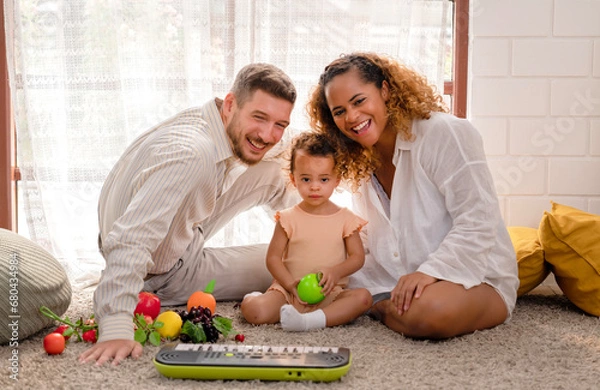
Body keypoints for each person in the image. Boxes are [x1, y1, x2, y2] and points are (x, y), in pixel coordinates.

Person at [79, 63, 298, 366]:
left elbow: (284, 144)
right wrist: (116, 324)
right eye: (259, 117)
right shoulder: (192, 154)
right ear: (231, 104)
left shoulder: (209, 119)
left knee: (279, 172)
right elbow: (132, 238)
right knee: (290, 265)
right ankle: (311, 252)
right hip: (160, 274)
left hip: (177, 229)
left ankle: (312, 231)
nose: (268, 134)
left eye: (279, 124)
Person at [307, 52, 519, 339]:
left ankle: (379, 308)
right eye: (339, 111)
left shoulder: (445, 133)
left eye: (359, 101)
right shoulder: (357, 159)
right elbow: (370, 236)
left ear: (385, 90)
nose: (352, 117)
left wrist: (429, 272)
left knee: (428, 313)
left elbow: (478, 220)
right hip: (395, 276)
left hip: (478, 277)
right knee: (308, 275)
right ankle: (382, 301)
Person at [240, 132, 372, 331]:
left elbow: (357, 257)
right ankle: (254, 298)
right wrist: (289, 284)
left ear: (337, 180)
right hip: (288, 294)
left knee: (363, 299)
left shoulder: (346, 219)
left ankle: (312, 321)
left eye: (324, 179)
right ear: (294, 180)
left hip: (329, 294)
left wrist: (335, 273)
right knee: (255, 312)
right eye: (306, 179)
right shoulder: (287, 218)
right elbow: (273, 258)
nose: (315, 187)